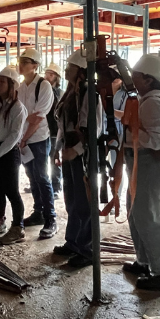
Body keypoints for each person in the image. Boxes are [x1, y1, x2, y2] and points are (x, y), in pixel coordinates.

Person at [123, 53, 160, 293]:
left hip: (152, 166)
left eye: (135, 75)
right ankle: (145, 262)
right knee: (137, 215)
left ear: (147, 79)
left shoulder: (154, 102)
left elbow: (156, 141)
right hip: (142, 166)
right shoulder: (149, 98)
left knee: (150, 219)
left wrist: (129, 133)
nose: (132, 79)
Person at [53, 50, 102, 267]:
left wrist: (78, 150)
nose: (66, 70)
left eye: (70, 67)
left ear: (80, 71)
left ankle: (87, 249)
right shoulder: (70, 93)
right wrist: (57, 148)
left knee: (85, 201)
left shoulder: (90, 94)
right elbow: (63, 127)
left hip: (84, 155)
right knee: (72, 198)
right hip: (69, 151)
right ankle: (73, 242)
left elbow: (95, 129)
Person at [17, 47, 57, 240]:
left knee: (42, 177)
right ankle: (38, 212)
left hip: (38, 139)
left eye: (25, 62)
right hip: (23, 139)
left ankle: (51, 219)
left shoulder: (44, 86)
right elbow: (20, 116)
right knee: (31, 177)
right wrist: (22, 132)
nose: (21, 65)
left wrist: (24, 137)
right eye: (20, 61)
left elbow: (38, 118)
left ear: (35, 65)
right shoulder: (20, 87)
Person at [0, 66, 27, 244]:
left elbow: (14, 136)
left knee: (12, 191)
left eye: (2, 82)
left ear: (12, 85)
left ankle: (18, 227)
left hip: (8, 152)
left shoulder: (18, 108)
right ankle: (0, 221)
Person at [44, 62, 64, 202]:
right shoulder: (42, 91)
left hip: (54, 131)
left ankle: (56, 187)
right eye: (46, 74)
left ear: (56, 77)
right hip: (43, 130)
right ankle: (45, 184)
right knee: (42, 160)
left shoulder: (60, 93)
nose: (47, 77)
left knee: (54, 160)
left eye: (50, 75)